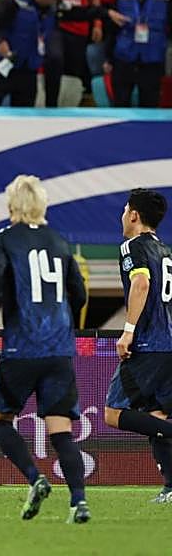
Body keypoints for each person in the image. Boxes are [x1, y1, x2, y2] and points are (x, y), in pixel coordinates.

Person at [0, 175, 89, 523]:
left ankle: (35, 477)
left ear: (12, 204)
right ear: (42, 204)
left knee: (0, 420)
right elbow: (80, 292)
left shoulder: (3, 239)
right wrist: (67, 324)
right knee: (61, 432)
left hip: (22, 347)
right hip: (59, 349)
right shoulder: (60, 241)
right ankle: (79, 502)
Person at [103, 188, 172, 504]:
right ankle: (171, 488)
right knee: (154, 415)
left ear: (133, 215)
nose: (122, 215)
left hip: (149, 344)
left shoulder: (133, 246)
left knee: (113, 413)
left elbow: (141, 283)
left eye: (124, 209)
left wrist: (128, 331)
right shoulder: (165, 251)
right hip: (168, 343)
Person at [0, 0, 112, 108]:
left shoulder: (55, 8)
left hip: (28, 70)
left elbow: (81, 13)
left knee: (24, 111)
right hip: (3, 65)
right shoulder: (15, 5)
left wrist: (107, 13)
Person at [107, 0, 170, 108]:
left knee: (149, 104)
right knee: (121, 103)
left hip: (152, 57)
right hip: (125, 56)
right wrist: (108, 57)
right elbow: (112, 29)